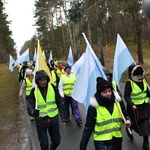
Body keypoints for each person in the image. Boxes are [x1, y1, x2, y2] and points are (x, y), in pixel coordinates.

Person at [80, 77, 131, 150]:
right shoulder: (94, 107)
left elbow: (125, 115)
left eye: (109, 91)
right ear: (99, 93)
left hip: (116, 140)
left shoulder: (118, 103)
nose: (108, 94)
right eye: (105, 92)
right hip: (101, 142)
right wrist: (83, 146)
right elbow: (88, 128)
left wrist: (128, 121)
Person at [27, 70, 67, 150]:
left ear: (47, 79)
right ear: (37, 81)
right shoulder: (34, 91)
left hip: (53, 120)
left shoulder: (52, 87)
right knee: (44, 145)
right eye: (40, 80)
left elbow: (60, 102)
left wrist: (63, 117)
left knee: (57, 141)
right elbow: (30, 105)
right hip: (41, 122)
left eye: (44, 79)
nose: (43, 82)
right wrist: (32, 112)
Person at [124, 64, 150, 150]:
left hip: (145, 106)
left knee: (145, 124)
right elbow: (126, 96)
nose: (139, 77)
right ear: (133, 75)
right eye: (137, 75)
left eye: (140, 75)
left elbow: (147, 92)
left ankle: (146, 143)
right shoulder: (129, 83)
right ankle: (129, 129)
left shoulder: (144, 80)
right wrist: (132, 105)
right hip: (134, 109)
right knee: (135, 124)